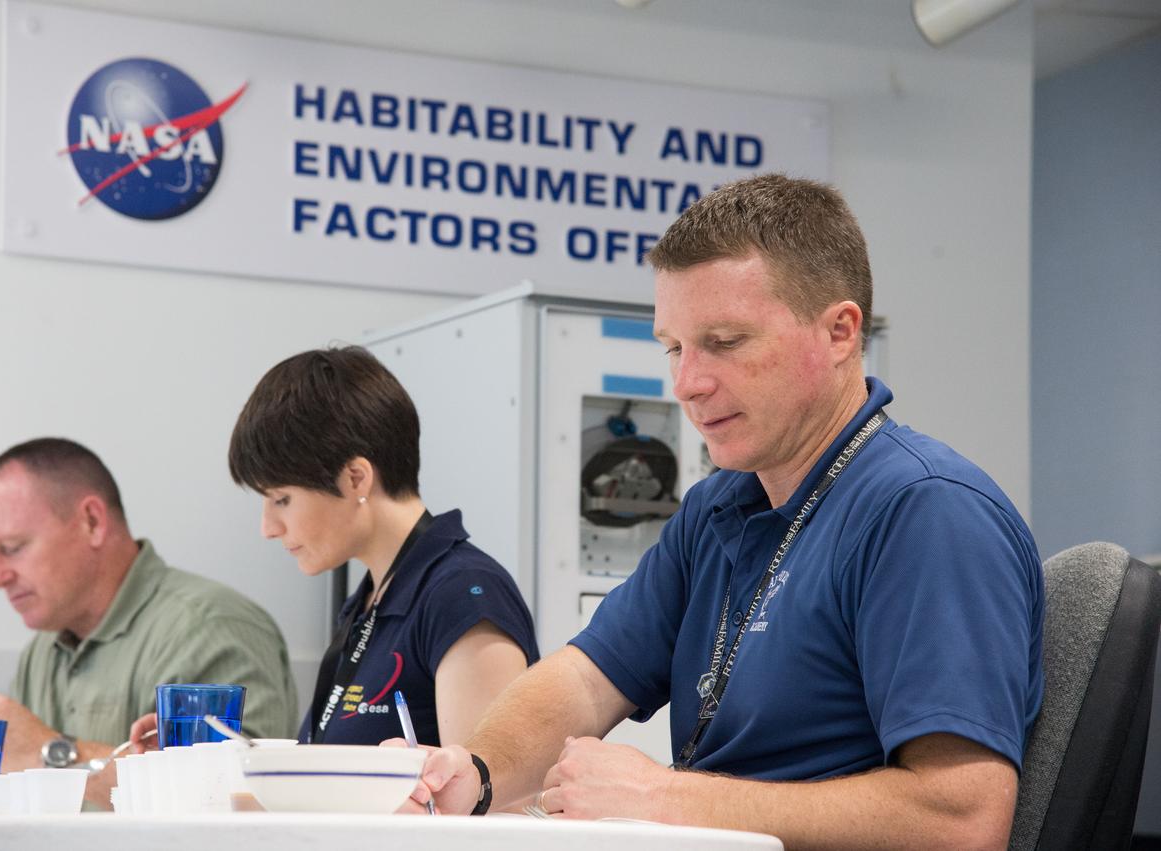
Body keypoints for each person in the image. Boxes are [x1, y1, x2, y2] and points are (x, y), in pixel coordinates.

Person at [405, 174, 1044, 849]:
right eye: (674, 348)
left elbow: (961, 820)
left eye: (725, 341)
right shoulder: (718, 506)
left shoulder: (925, 511)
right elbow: (584, 679)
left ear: (838, 332)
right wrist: (473, 774)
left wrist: (667, 798)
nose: (686, 384)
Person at [132, 346, 539, 753]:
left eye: (281, 499)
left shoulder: (464, 595)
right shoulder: (368, 603)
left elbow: (490, 798)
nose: (268, 528)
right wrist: (206, 761)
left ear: (356, 478)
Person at [0, 438, 299, 815]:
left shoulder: (210, 627)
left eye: (11, 549)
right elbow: (25, 815)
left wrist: (51, 752)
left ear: (92, 523)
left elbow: (243, 801)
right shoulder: (42, 650)